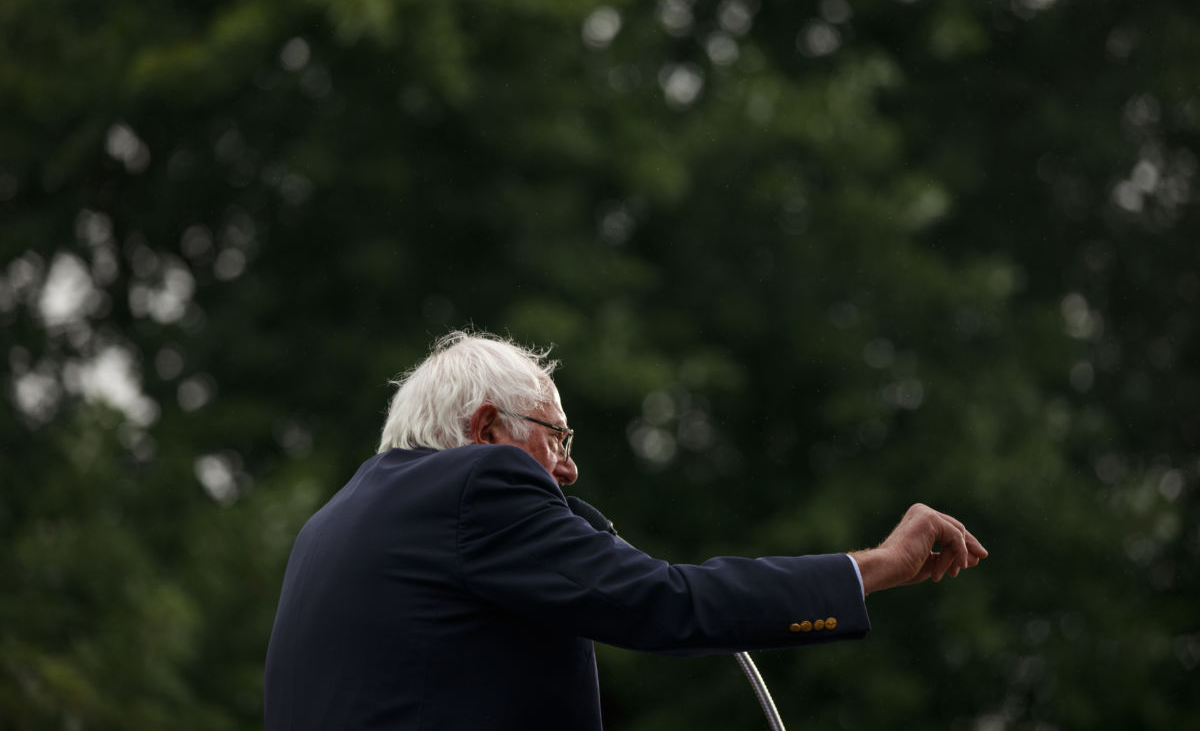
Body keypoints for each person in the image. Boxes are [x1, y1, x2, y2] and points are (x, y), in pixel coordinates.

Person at [264, 331, 987, 730]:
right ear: (486, 429)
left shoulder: (331, 524)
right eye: (557, 438)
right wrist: (877, 566)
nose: (569, 469)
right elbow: (667, 602)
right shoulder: (480, 485)